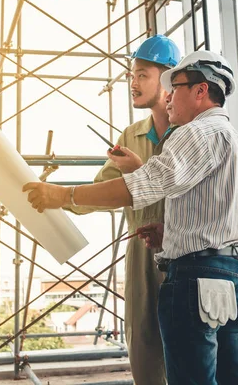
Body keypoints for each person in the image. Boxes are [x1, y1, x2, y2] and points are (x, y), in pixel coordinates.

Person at [23, 50, 238, 385]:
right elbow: (222, 214)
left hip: (196, 275)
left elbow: (140, 187)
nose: (169, 96)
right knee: (233, 377)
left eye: (174, 87)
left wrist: (62, 195)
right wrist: (171, 234)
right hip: (235, 273)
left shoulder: (195, 134)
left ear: (200, 91)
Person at [66, 34, 181, 385]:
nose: (133, 82)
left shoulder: (191, 132)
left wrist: (137, 173)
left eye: (143, 74)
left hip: (185, 248)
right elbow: (101, 191)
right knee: (143, 344)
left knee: (188, 346)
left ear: (168, 79)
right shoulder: (132, 135)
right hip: (141, 252)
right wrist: (56, 197)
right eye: (132, 74)